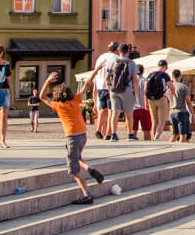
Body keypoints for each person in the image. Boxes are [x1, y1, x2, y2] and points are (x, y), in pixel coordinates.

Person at [39, 70, 105, 205]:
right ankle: (90, 169)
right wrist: (97, 70)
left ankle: (87, 195)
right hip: (82, 135)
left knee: (74, 170)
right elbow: (87, 84)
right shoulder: (76, 100)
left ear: (56, 95)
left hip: (72, 137)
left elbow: (42, 96)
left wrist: (48, 80)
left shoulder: (58, 105)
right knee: (78, 158)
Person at [92, 43, 139, 141]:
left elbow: (107, 77)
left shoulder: (112, 61)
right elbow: (135, 79)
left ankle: (113, 134)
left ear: (119, 51)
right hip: (126, 89)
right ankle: (130, 134)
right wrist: (135, 92)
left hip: (114, 90)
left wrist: (110, 88)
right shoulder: (131, 63)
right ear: (128, 52)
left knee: (114, 113)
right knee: (129, 113)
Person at [91, 41, 119, 139]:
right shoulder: (116, 59)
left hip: (99, 86)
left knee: (103, 110)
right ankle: (108, 133)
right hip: (110, 86)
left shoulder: (100, 57)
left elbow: (96, 72)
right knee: (111, 110)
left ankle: (98, 129)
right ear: (117, 50)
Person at [145, 60, 175, 141]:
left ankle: (154, 138)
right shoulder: (165, 75)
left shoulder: (151, 74)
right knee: (162, 122)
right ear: (165, 67)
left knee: (154, 122)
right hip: (162, 99)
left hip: (151, 100)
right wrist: (172, 92)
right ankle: (156, 138)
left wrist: (146, 101)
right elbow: (171, 86)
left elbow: (145, 88)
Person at [169, 69, 193, 143]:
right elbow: (188, 101)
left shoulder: (169, 87)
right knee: (183, 135)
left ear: (172, 77)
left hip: (172, 112)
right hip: (182, 112)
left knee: (175, 134)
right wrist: (192, 114)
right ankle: (181, 151)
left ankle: (168, 147)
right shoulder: (183, 87)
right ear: (180, 76)